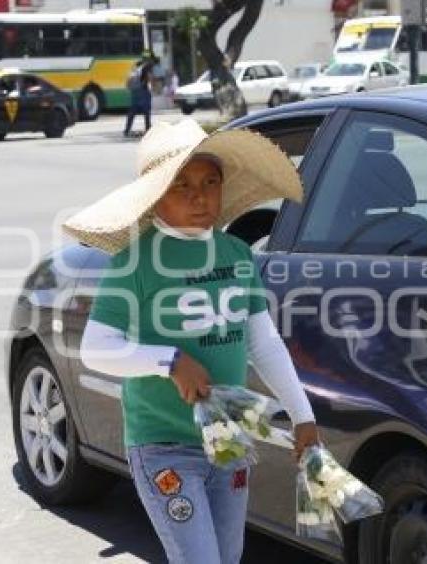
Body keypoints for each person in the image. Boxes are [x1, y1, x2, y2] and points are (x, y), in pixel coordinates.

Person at [64, 119, 319, 564]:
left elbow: (263, 342)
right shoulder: (135, 262)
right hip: (163, 447)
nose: (198, 195)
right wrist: (169, 361)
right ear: (155, 196)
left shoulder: (238, 256)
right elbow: (96, 347)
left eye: (209, 182)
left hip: (228, 440)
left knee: (228, 557)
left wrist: (303, 416)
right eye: (180, 184)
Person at [124, 55, 155, 137]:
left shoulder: (135, 69)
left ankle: (127, 130)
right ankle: (148, 129)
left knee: (132, 112)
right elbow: (149, 78)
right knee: (146, 112)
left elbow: (128, 83)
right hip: (143, 92)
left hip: (135, 92)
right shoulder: (146, 67)